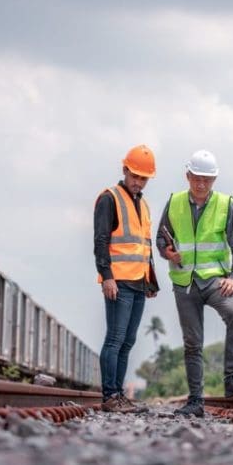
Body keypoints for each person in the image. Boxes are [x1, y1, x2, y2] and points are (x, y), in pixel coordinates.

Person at [156, 149, 233, 418]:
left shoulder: (225, 205)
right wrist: (168, 252)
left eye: (207, 180)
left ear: (214, 180)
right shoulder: (174, 202)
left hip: (214, 280)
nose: (201, 184)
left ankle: (232, 379)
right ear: (188, 176)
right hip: (185, 282)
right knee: (193, 343)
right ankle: (196, 400)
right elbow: (161, 240)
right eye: (197, 178)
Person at [94, 144, 159, 413]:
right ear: (124, 170)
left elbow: (144, 246)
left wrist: (151, 281)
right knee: (115, 339)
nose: (138, 182)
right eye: (135, 176)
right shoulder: (109, 198)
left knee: (128, 341)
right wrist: (106, 276)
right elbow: (100, 241)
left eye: (143, 178)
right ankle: (110, 395)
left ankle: (118, 394)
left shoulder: (143, 205)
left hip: (138, 283)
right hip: (118, 283)